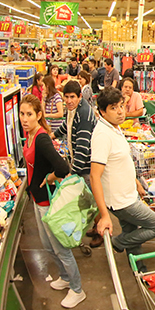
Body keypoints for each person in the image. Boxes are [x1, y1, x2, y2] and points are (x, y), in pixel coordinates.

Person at [19, 95, 86, 308]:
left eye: (29, 114)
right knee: (48, 246)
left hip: (48, 203)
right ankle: (65, 277)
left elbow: (62, 167)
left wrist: (49, 178)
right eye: (22, 114)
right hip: (38, 201)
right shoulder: (29, 136)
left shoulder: (40, 138)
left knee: (60, 248)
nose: (24, 119)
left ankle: (77, 289)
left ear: (39, 115)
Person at [90, 88, 155, 269]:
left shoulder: (114, 128)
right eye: (113, 108)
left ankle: (139, 269)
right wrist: (104, 215)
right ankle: (118, 243)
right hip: (121, 201)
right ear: (102, 111)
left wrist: (136, 182)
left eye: (121, 106)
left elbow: (120, 162)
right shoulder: (102, 135)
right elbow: (94, 176)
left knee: (132, 232)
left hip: (127, 193)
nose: (120, 112)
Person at [53, 81, 100, 247]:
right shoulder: (72, 111)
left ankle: (101, 231)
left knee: (92, 200)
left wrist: (73, 172)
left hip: (87, 165)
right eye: (66, 97)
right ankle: (96, 226)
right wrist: (53, 135)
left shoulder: (84, 114)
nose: (69, 100)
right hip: (79, 163)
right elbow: (67, 126)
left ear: (80, 97)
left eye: (72, 97)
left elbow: (83, 147)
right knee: (86, 200)